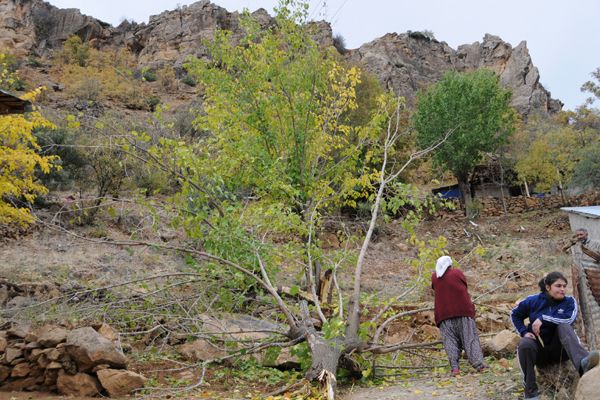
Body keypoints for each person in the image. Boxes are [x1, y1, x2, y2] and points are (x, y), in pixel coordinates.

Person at [511, 271, 599, 400]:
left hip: (560, 350)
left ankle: (582, 363)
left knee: (563, 326)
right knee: (524, 343)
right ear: (548, 287)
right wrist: (524, 332)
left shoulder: (569, 301)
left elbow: (569, 319)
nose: (562, 289)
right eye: (558, 286)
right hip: (539, 350)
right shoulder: (533, 301)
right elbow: (515, 314)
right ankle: (530, 392)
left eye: (564, 286)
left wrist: (543, 318)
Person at [431, 255, 486, 375]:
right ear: (449, 265)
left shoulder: (435, 277)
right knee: (469, 338)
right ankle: (479, 366)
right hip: (463, 311)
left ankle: (455, 368)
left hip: (444, 315)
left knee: (449, 340)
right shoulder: (457, 273)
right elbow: (464, 287)